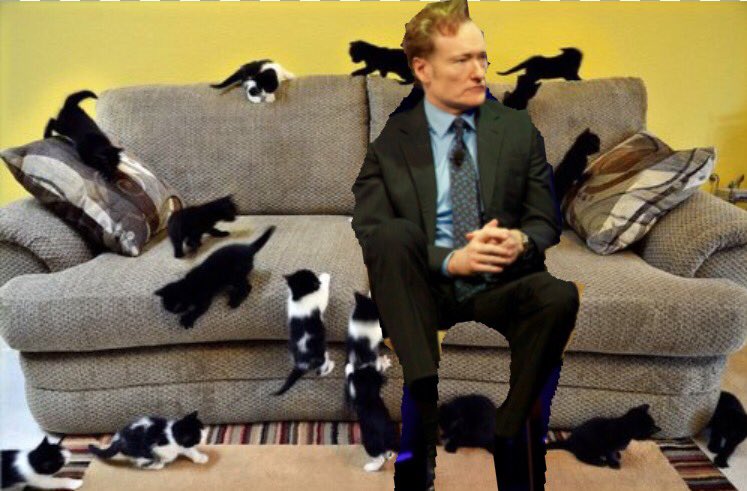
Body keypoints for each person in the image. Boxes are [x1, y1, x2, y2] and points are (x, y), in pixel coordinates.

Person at [350, 1, 580, 489]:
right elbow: (371, 227)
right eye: (462, 60)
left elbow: (546, 219)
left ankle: (511, 429)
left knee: (558, 296)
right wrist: (449, 258)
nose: (479, 72)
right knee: (390, 236)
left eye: (482, 58)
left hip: (503, 279)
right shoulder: (392, 143)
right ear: (423, 69)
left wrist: (519, 239)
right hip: (427, 285)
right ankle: (422, 410)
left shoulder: (517, 130)